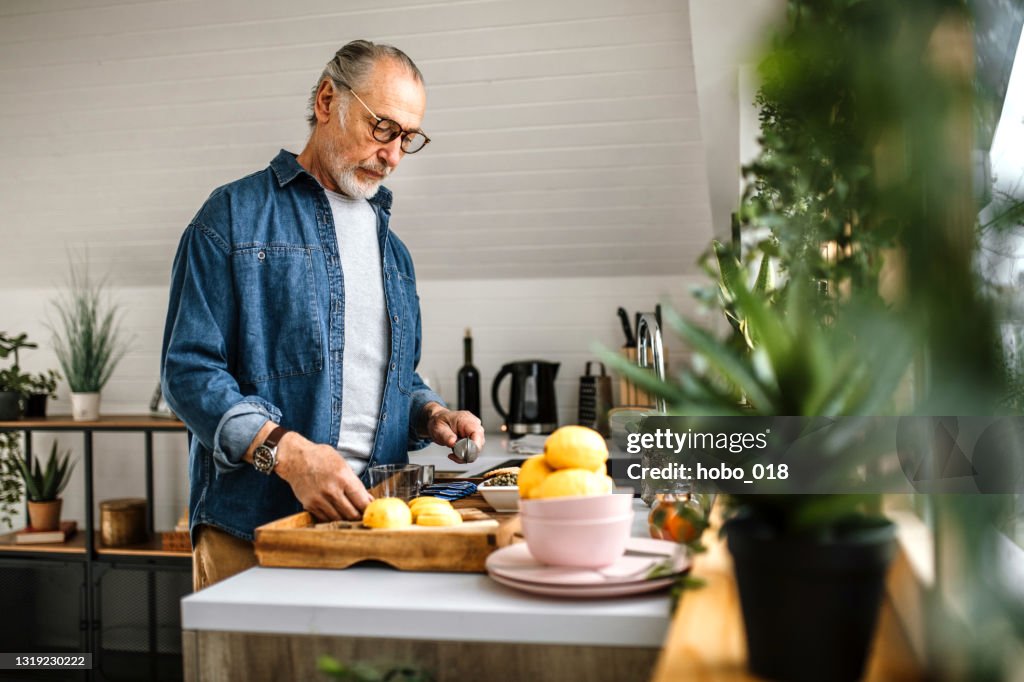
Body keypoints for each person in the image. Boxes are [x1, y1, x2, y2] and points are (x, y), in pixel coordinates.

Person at [161, 40, 484, 591]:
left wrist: (429, 413)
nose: (394, 155)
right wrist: (287, 454)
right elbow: (189, 373)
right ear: (328, 99)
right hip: (253, 530)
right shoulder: (232, 216)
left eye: (408, 138)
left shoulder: (395, 254)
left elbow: (390, 379)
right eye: (383, 127)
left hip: (375, 526)